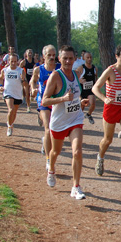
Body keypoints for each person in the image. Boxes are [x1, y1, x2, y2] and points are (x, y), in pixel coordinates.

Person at [41, 45, 89, 199]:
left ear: (75, 59)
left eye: (70, 58)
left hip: (75, 118)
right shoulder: (55, 76)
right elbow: (45, 100)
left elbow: (74, 98)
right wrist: (62, 99)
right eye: (65, 58)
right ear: (59, 59)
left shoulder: (76, 75)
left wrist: (82, 101)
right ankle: (51, 169)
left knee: (77, 151)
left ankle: (76, 187)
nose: (68, 61)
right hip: (59, 122)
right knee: (55, 152)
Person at [92, 45, 121, 180]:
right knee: (108, 140)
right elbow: (95, 88)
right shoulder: (110, 71)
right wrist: (105, 98)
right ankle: (100, 158)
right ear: (116, 57)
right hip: (111, 108)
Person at [30, 45, 60, 170]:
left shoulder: (60, 68)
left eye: (54, 55)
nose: (52, 57)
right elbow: (33, 80)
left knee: (55, 131)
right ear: (44, 56)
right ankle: (48, 159)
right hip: (43, 101)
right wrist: (33, 89)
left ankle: (45, 142)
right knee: (48, 129)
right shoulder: (39, 69)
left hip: (57, 102)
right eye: (49, 55)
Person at [0, 53, 28, 136]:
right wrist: (1, 86)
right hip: (8, 92)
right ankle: (9, 126)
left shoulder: (21, 71)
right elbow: (1, 79)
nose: (13, 63)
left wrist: (23, 80)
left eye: (15, 61)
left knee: (14, 112)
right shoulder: (5, 70)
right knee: (11, 109)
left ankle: (11, 124)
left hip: (18, 94)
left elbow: (25, 84)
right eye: (12, 61)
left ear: (17, 61)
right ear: (8, 61)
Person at [75, 51, 97, 125]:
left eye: (90, 57)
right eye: (87, 57)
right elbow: (74, 76)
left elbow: (95, 78)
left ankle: (89, 114)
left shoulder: (94, 68)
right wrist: (79, 80)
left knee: (93, 103)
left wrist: (96, 85)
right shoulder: (81, 68)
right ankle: (78, 119)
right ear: (84, 58)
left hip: (90, 89)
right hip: (82, 90)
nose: (89, 59)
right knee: (82, 106)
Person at [20, 48, 37, 112]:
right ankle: (28, 107)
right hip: (26, 79)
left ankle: (31, 97)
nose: (30, 53)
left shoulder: (34, 60)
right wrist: (23, 78)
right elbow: (19, 70)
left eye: (31, 52)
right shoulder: (24, 61)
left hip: (33, 78)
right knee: (27, 94)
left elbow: (38, 67)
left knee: (33, 92)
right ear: (26, 54)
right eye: (28, 52)